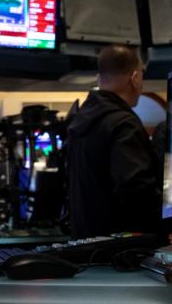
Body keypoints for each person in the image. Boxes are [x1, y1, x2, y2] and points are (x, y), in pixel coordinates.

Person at [66, 44, 160, 237]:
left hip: (86, 245)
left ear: (100, 78)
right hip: (120, 252)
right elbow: (137, 192)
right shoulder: (123, 123)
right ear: (134, 77)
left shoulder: (81, 120)